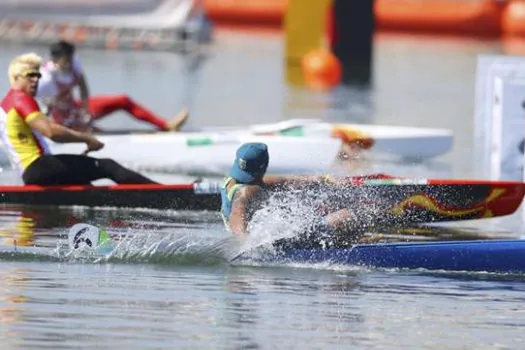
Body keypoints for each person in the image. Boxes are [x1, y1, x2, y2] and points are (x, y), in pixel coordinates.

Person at [0, 52, 158, 186]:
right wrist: (87, 138)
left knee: (85, 183)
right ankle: (164, 193)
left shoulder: (5, 103)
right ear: (15, 78)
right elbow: (51, 132)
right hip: (40, 167)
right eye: (30, 75)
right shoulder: (21, 99)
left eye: (38, 75)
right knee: (107, 166)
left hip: (32, 173)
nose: (36, 79)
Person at [36, 40, 188, 132]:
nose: (69, 62)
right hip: (61, 118)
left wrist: (84, 110)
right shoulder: (47, 78)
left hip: (75, 108)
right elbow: (44, 108)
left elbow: (83, 87)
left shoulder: (74, 62)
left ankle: (166, 126)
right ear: (55, 59)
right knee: (94, 133)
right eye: (66, 59)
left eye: (70, 58)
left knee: (123, 100)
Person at [220, 142, 358, 243]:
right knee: (346, 215)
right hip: (269, 243)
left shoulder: (230, 180)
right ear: (264, 166)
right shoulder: (246, 191)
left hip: (264, 237)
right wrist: (245, 244)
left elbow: (284, 180)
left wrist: (323, 179)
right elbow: (237, 213)